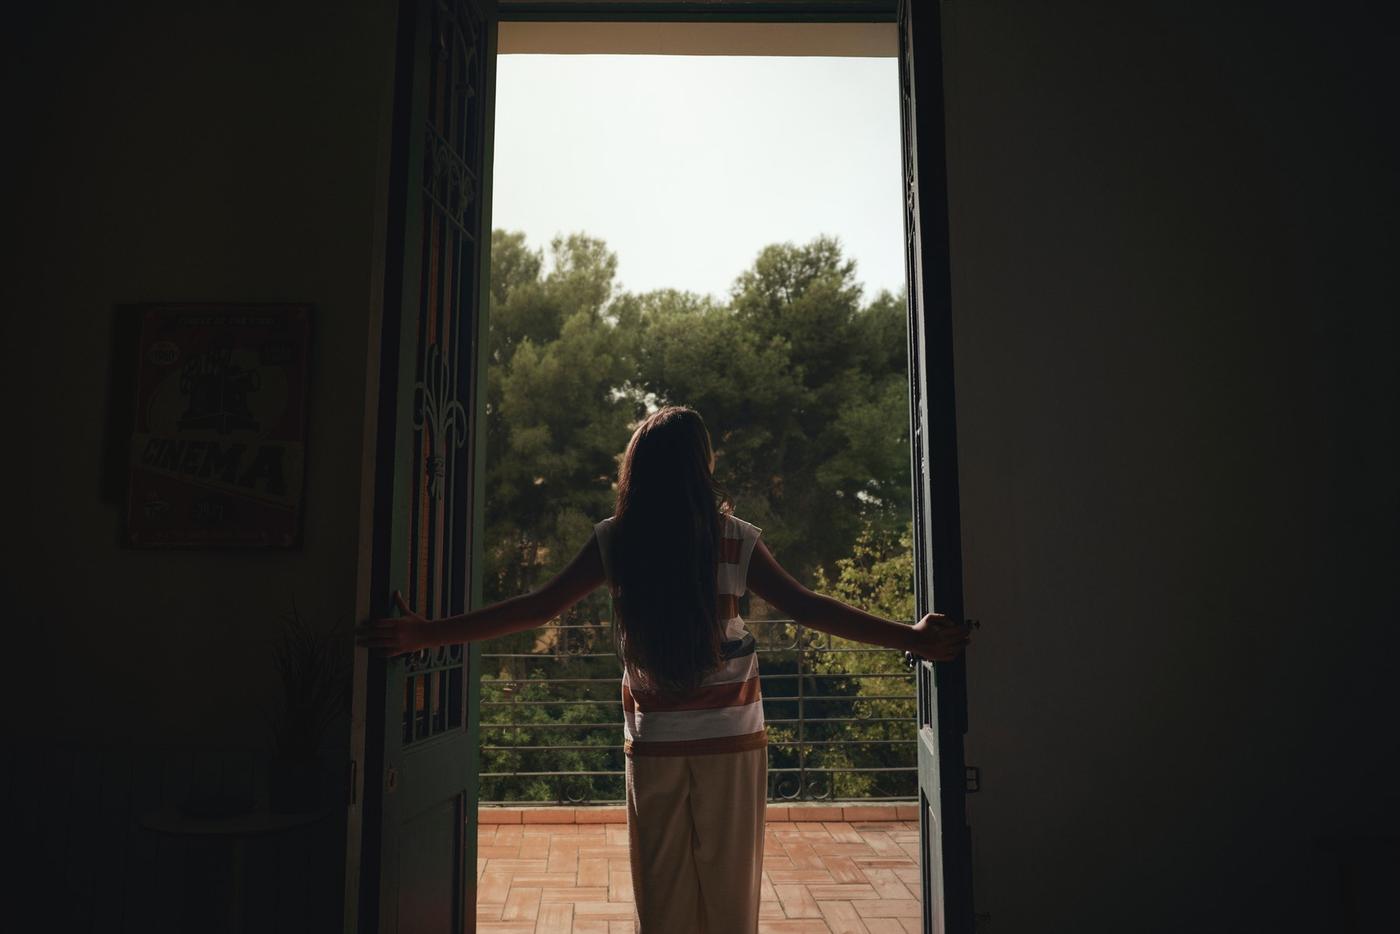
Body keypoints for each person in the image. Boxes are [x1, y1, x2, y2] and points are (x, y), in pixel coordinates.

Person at [357, 405, 972, 934]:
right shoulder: (735, 540)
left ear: (638, 468)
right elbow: (811, 608)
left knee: (663, 900)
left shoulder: (617, 541)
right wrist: (910, 638)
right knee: (729, 901)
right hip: (732, 742)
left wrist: (424, 634)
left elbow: (534, 609)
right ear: (700, 467)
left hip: (653, 744)